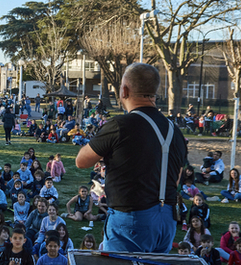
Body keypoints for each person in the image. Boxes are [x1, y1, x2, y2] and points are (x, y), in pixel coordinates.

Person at [75, 63, 186, 253]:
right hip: (166, 219)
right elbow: (176, 177)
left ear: (124, 90)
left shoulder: (120, 125)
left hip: (131, 219)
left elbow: (81, 161)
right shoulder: (174, 130)